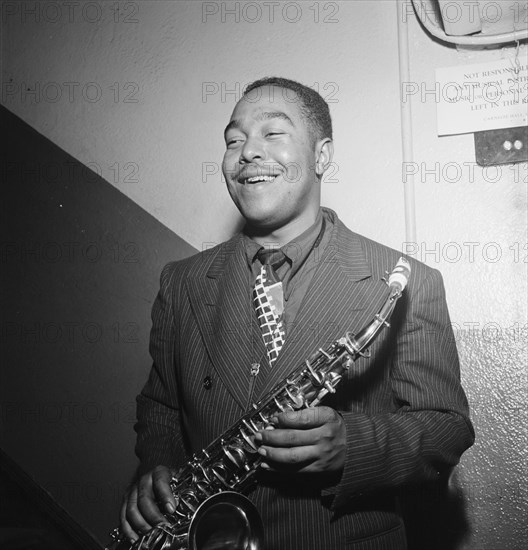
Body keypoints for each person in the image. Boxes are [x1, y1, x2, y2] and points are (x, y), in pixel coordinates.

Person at [119, 77, 474, 550]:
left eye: (272, 133)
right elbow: (160, 405)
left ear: (322, 156)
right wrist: (155, 469)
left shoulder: (408, 281)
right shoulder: (180, 282)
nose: (246, 152)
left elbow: (448, 427)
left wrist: (354, 446)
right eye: (233, 140)